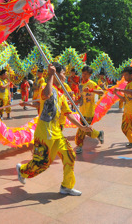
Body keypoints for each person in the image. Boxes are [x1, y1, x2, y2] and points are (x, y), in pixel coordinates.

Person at [16, 62, 94, 196]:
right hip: (44, 133)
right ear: (56, 74)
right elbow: (46, 95)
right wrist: (50, 75)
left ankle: (66, 187)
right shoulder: (46, 87)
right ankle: (22, 170)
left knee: (70, 155)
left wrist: (82, 127)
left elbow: (68, 114)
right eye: (63, 74)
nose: (65, 77)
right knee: (42, 163)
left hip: (56, 132)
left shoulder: (62, 95)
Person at [74, 65, 104, 154]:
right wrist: (74, 101)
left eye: (86, 74)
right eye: (83, 73)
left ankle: (79, 146)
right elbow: (81, 98)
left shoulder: (92, 83)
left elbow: (101, 92)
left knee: (82, 129)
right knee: (86, 130)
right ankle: (99, 134)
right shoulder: (81, 85)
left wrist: (91, 90)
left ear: (90, 75)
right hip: (82, 111)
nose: (83, 75)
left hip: (89, 111)